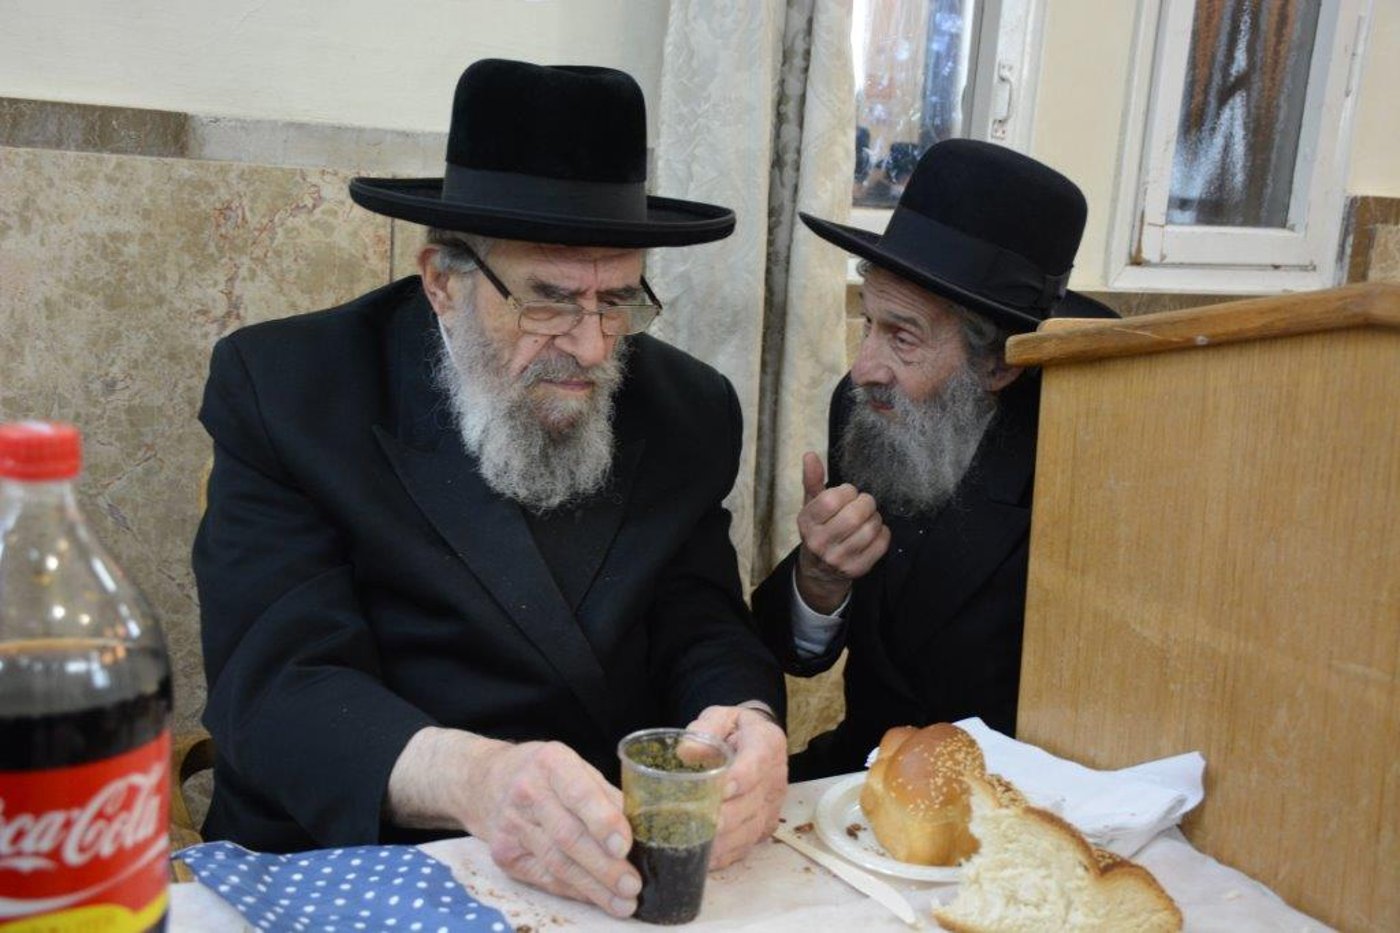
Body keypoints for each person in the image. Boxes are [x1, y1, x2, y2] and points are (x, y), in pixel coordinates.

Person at [193, 59, 787, 919]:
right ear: (444, 280)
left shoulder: (689, 409)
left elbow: (702, 622)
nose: (591, 345)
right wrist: (475, 777)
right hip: (361, 854)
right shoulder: (290, 389)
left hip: (598, 863)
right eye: (549, 301)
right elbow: (278, 685)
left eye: (618, 300)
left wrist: (747, 719)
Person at [752, 139, 1116, 780]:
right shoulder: (865, 403)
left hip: (1008, 792)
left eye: (902, 337)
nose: (863, 368)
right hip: (861, 768)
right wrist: (820, 579)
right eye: (868, 324)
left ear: (998, 364)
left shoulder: (1078, 454)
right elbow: (791, 652)